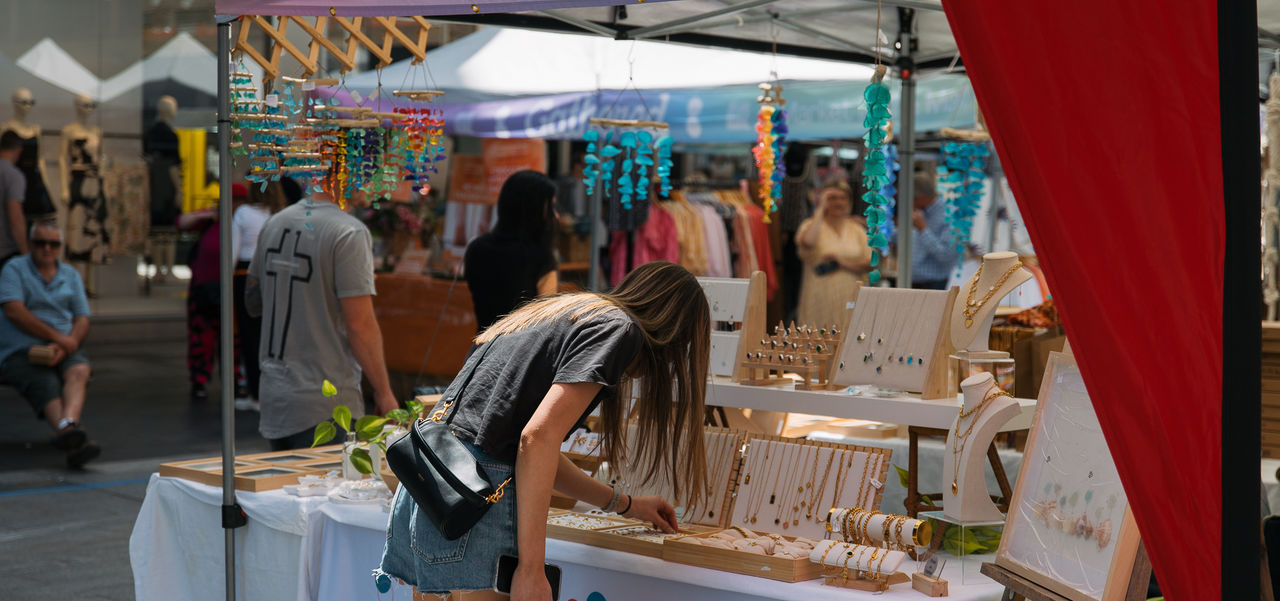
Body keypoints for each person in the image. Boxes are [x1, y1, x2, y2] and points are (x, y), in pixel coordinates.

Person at [380, 261, 708, 601]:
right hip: (476, 501)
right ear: (674, 334)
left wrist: (625, 504)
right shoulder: (619, 328)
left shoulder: (558, 311)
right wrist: (531, 569)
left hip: (433, 491)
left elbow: (531, 449)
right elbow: (536, 440)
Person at [246, 178, 397, 450]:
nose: (374, 185)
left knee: (287, 491)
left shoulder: (275, 222)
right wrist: (384, 392)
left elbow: (252, 302)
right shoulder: (349, 232)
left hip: (275, 394)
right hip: (326, 402)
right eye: (368, 171)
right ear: (346, 169)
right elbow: (360, 326)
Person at [0, 221, 99, 467]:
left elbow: (82, 318)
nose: (47, 248)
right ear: (31, 244)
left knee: (79, 370)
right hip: (22, 348)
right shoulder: (15, 268)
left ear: (61, 247)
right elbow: (14, 311)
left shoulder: (70, 274)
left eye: (53, 244)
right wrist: (60, 339)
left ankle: (68, 427)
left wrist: (68, 344)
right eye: (40, 243)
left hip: (65, 346)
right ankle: (74, 438)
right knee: (45, 381)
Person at [464, 170, 559, 332]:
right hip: (522, 353)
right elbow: (546, 323)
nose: (556, 216)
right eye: (551, 207)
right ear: (534, 210)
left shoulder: (476, 248)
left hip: (483, 349)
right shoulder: (540, 257)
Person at [179, 183, 247, 402]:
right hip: (203, 289)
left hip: (232, 290)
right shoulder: (210, 222)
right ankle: (199, 381)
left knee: (233, 341)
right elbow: (181, 222)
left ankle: (235, 381)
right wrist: (212, 214)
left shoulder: (244, 222)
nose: (233, 206)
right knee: (202, 338)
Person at [231, 181, 286, 412]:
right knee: (274, 339)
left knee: (251, 338)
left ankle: (256, 395)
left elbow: (232, 252)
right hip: (276, 277)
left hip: (247, 276)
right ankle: (275, 393)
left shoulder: (243, 212)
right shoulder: (281, 215)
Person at [795, 180, 872, 329]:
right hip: (818, 299)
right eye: (832, 198)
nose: (838, 202)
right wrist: (820, 209)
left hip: (850, 297)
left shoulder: (856, 229)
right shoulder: (810, 226)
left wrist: (842, 263)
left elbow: (871, 262)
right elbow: (808, 242)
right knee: (818, 343)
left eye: (843, 198)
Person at [909, 172, 958, 290]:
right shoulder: (921, 211)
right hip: (915, 282)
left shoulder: (950, 214)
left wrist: (923, 229)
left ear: (922, 197)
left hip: (936, 284)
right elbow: (901, 235)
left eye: (911, 199)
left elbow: (946, 255)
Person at [0, 131, 28, 267]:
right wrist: (25, 253)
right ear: (19, 151)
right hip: (5, 252)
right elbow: (15, 217)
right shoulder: (13, 176)